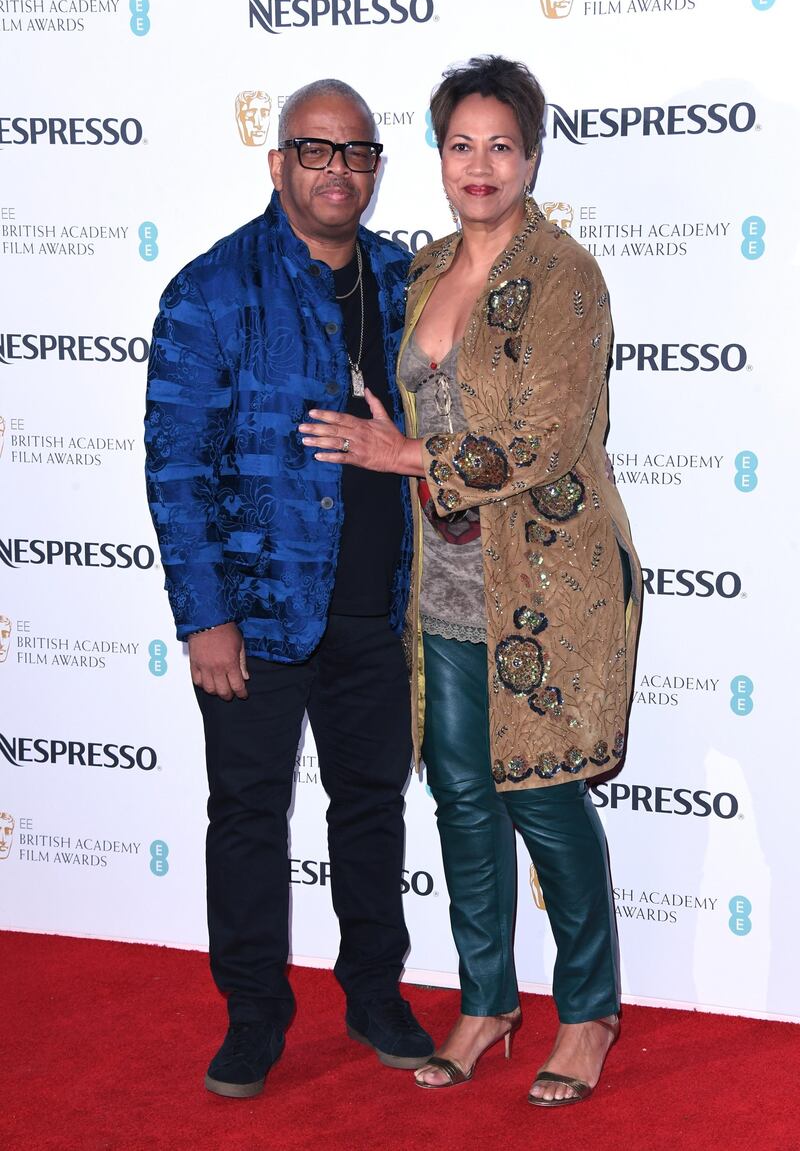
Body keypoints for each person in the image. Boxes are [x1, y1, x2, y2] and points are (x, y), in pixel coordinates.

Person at [299, 55, 642, 1107]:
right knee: (458, 800)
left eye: (501, 145)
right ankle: (487, 999)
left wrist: (403, 457)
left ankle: (585, 1013)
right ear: (438, 159)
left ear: (531, 156)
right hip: (441, 584)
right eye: (461, 145)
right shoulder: (421, 267)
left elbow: (542, 439)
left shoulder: (565, 274)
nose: (479, 164)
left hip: (547, 583)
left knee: (541, 795)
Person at [144, 78, 433, 1099]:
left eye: (355, 153)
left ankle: (373, 993)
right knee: (249, 812)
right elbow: (175, 467)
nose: (336, 171)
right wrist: (205, 616)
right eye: (315, 150)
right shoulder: (212, 289)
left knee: (370, 807)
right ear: (278, 164)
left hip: (377, 606)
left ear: (373, 169)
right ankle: (255, 1013)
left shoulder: (407, 279)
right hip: (256, 615)